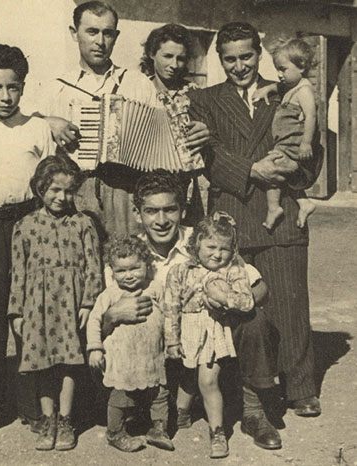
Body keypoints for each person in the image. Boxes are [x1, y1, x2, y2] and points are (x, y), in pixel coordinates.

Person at [188, 22, 323, 437]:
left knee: (289, 303)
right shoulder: (205, 100)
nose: (239, 65)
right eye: (230, 58)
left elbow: (311, 149)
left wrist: (292, 177)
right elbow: (207, 157)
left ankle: (301, 388)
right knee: (237, 308)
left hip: (279, 213)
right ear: (219, 59)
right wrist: (251, 168)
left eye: (247, 56)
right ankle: (242, 392)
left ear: (259, 54)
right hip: (231, 216)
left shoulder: (287, 90)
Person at [101, 170, 279, 451]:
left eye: (169, 210)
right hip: (159, 350)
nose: (161, 221)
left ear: (182, 210)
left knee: (254, 320)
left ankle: (253, 411)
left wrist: (230, 300)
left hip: (208, 338)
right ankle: (145, 409)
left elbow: (260, 288)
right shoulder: (129, 254)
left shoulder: (204, 240)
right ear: (138, 214)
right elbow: (105, 315)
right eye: (151, 211)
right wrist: (112, 315)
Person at [36, 2, 209, 238]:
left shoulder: (136, 83)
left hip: (126, 191)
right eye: (92, 32)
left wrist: (194, 133)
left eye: (107, 33)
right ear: (74, 33)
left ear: (115, 36)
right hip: (75, 191)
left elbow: (166, 135)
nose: (100, 41)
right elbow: (29, 131)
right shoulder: (56, 88)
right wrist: (47, 121)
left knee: (128, 263)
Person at [0, 44, 55, 437]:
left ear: (23, 87)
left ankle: (31, 403)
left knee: (30, 315)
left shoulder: (37, 128)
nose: (5, 97)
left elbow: (50, 179)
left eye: (13, 88)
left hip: (29, 223)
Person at [7, 155, 103, 451]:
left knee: (68, 362)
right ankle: (47, 418)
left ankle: (65, 419)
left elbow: (93, 267)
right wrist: (16, 313)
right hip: (37, 306)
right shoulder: (24, 226)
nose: (62, 197)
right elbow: (18, 272)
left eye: (69, 191)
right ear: (40, 189)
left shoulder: (84, 223)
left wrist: (88, 304)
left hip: (71, 304)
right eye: (54, 190)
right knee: (42, 363)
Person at [164, 212, 256, 458]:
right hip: (187, 328)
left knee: (207, 380)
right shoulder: (180, 271)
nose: (218, 254)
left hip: (214, 329)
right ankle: (181, 413)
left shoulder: (234, 270)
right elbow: (171, 307)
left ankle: (217, 432)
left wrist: (225, 297)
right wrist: (172, 339)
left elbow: (247, 302)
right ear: (196, 245)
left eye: (224, 249)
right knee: (188, 375)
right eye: (211, 247)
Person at [87, 236, 173, 453]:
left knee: (159, 395)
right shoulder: (110, 295)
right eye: (121, 271)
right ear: (112, 271)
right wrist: (95, 348)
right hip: (123, 361)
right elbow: (94, 320)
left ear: (147, 264)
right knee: (121, 397)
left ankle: (158, 429)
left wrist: (172, 343)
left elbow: (170, 316)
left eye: (135, 268)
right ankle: (115, 432)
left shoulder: (156, 288)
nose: (128, 276)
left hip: (152, 358)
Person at [140, 23, 206, 223]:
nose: (174, 65)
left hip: (184, 184)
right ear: (152, 54)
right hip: (145, 185)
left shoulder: (195, 94)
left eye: (181, 58)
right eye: (167, 56)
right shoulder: (139, 90)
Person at [253, 38, 318, 230]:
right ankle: (303, 202)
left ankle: (274, 207)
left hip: (293, 144)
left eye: (283, 69)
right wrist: (267, 89)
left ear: (302, 66)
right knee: (279, 172)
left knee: (272, 169)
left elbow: (311, 116)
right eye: (277, 70)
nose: (279, 75)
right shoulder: (290, 87)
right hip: (283, 143)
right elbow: (277, 87)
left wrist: (306, 143)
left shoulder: (304, 90)